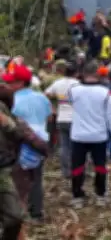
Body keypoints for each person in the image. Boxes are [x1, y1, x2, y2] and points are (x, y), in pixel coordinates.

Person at [67, 62, 111, 208]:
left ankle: (77, 196)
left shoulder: (74, 91)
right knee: (100, 166)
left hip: (78, 135)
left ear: (82, 74)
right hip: (99, 135)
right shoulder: (105, 93)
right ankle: (100, 195)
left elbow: (68, 103)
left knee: (77, 166)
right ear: (98, 74)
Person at [0, 85, 49, 240]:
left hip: (4, 168)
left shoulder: (2, 110)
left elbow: (18, 132)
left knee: (14, 217)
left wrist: (7, 123)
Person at [5, 65, 51, 222]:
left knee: (18, 180)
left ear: (20, 83)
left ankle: (18, 214)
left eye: (11, 82)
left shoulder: (12, 101)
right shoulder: (42, 97)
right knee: (36, 179)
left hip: (21, 144)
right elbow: (49, 117)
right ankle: (36, 213)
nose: (8, 85)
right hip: (40, 142)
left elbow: (12, 126)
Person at [44, 61, 80, 179]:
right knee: (76, 146)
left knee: (64, 146)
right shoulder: (78, 84)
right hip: (75, 119)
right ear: (75, 73)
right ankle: (76, 169)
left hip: (61, 118)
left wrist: (51, 107)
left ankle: (65, 171)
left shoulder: (58, 83)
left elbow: (46, 94)